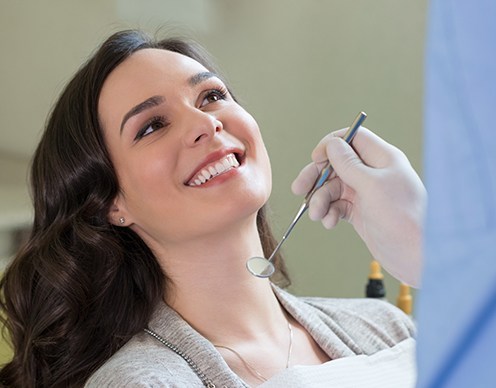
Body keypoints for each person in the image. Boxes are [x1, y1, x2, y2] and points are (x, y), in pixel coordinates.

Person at [0, 30, 425, 387]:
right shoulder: (142, 383)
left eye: (211, 96)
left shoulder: (385, 326)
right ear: (112, 204)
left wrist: (428, 254)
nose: (206, 123)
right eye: (153, 126)